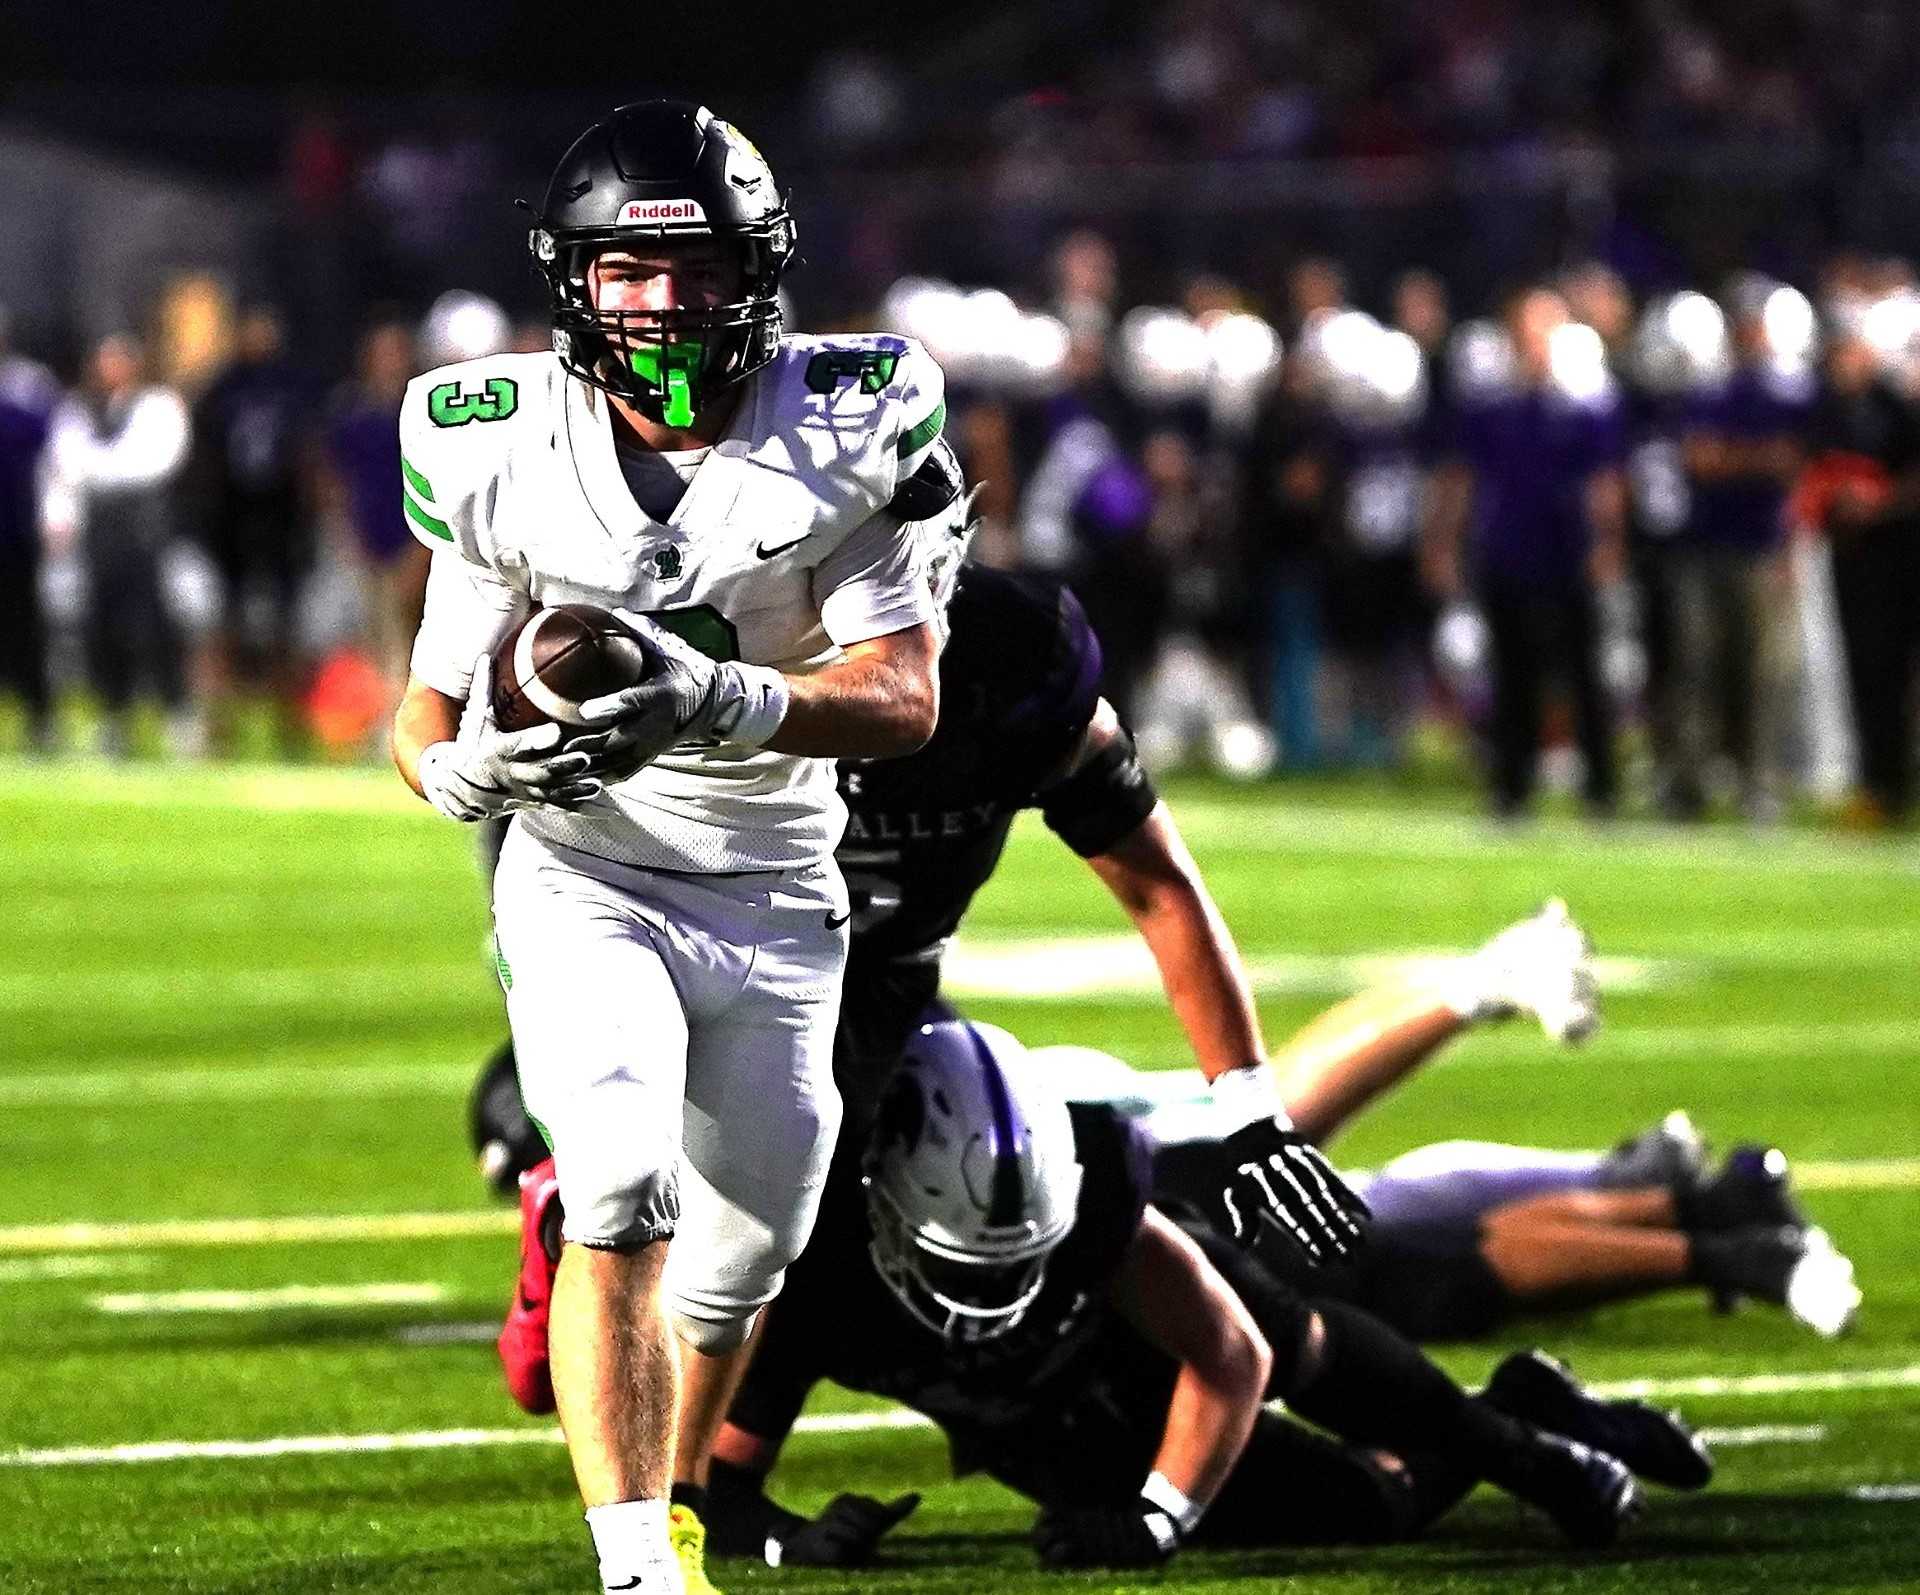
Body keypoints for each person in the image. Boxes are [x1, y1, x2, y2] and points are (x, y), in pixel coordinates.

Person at [391, 100, 951, 1595]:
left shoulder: (846, 420)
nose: (662, 303)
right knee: (623, 1185)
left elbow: (905, 698)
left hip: (775, 887)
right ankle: (639, 1562)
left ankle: (665, 1459)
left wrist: (725, 694)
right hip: (591, 866)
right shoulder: (497, 442)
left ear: (754, 273)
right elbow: (425, 704)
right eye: (628, 269)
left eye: (693, 268)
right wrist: (458, 770)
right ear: (572, 278)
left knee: (745, 1255)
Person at [702, 1022, 1686, 1570]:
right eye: (970, 1263)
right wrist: (795, 1540)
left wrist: (1159, 1516)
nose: (996, 1287)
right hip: (1046, 1427)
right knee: (1368, 1503)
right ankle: (1517, 1400)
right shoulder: (815, 1270)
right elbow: (718, 1488)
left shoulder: (1096, 1203)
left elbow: (1233, 1357)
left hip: (1150, 1353)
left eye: (1020, 1257)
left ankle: (1516, 1438)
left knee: (1297, 1341)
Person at [1423, 287, 1629, 817]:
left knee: (1584, 674)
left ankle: (1600, 790)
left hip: (1568, 552)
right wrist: (1444, 542)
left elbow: (1604, 483)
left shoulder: (1585, 406)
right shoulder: (1493, 406)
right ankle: (1512, 788)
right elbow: (1461, 481)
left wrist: (1607, 544)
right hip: (1508, 551)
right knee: (1511, 675)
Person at [40, 333, 196, 758]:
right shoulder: (79, 409)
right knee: (100, 628)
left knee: (153, 625)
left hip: (145, 533)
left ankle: (177, 716)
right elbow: (63, 463)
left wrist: (95, 466)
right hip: (100, 535)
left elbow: (150, 463)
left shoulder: (158, 406)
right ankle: (113, 717)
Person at [189, 305, 318, 752]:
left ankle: (290, 724)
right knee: (224, 627)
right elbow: (203, 457)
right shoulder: (223, 388)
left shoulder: (292, 387)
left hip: (282, 522)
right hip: (231, 522)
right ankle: (218, 726)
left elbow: (308, 455)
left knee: (286, 629)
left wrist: (309, 518)